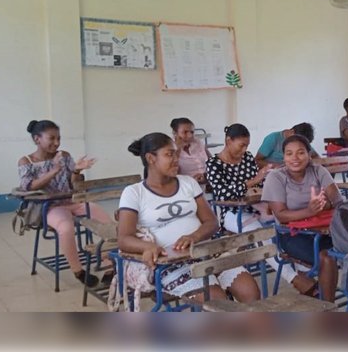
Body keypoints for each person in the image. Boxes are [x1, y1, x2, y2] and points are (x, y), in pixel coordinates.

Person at [118, 132, 260, 303]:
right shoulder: (134, 193)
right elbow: (124, 238)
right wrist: (147, 247)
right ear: (151, 158)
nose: (176, 159)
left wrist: (194, 236)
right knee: (216, 300)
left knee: (250, 292)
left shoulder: (188, 183)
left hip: (206, 250)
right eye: (169, 154)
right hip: (170, 262)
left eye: (176, 153)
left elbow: (211, 222)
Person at [206, 123, 318, 296]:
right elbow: (222, 192)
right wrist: (253, 181)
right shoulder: (214, 163)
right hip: (230, 213)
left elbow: (259, 183)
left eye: (247, 146)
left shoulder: (247, 157)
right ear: (228, 141)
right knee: (261, 235)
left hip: (257, 207)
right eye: (241, 145)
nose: (244, 150)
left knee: (290, 223)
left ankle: (302, 268)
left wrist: (268, 176)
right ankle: (294, 279)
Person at [18, 120, 111, 287]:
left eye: (58, 138)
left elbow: (72, 183)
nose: (56, 143)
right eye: (51, 138)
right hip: (48, 207)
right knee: (66, 227)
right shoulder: (26, 161)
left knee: (105, 221)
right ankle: (78, 271)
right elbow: (28, 186)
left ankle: (110, 266)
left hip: (72, 201)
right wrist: (53, 170)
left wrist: (76, 170)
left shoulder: (64, 155)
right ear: (37, 139)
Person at [261, 135, 342, 302]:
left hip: (324, 231)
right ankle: (328, 308)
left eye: (300, 153)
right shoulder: (275, 177)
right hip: (291, 235)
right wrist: (311, 211)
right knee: (327, 257)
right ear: (283, 157)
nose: (295, 158)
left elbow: (337, 199)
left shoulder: (319, 170)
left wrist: (325, 204)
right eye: (289, 154)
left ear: (309, 154)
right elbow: (281, 215)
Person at [170, 117, 211, 187]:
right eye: (185, 132)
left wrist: (206, 176)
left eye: (192, 132)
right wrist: (178, 149)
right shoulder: (170, 148)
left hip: (204, 184)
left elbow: (211, 161)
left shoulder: (197, 142)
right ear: (175, 133)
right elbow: (171, 174)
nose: (190, 135)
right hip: (184, 187)